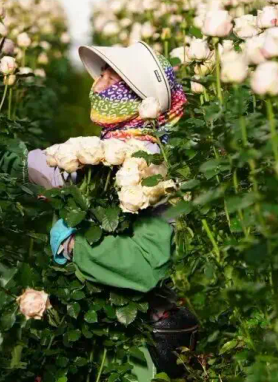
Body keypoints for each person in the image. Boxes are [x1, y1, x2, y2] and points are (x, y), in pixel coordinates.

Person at [27, 41, 198, 380]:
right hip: (109, 329)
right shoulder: (115, 148)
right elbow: (42, 167)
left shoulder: (150, 166)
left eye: (108, 78)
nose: (97, 85)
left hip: (139, 342)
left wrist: (74, 245)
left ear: (135, 94)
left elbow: (147, 264)